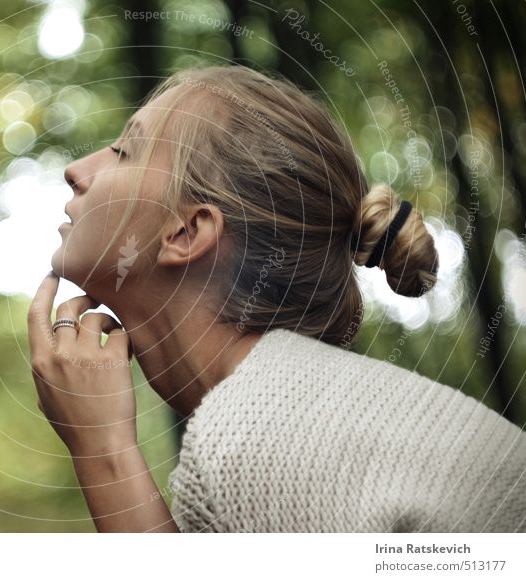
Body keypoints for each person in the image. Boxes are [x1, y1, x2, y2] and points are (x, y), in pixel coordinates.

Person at [27, 65, 526, 532]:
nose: (76, 170)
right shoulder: (291, 406)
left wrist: (105, 449)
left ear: (186, 231)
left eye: (124, 152)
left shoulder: (260, 439)